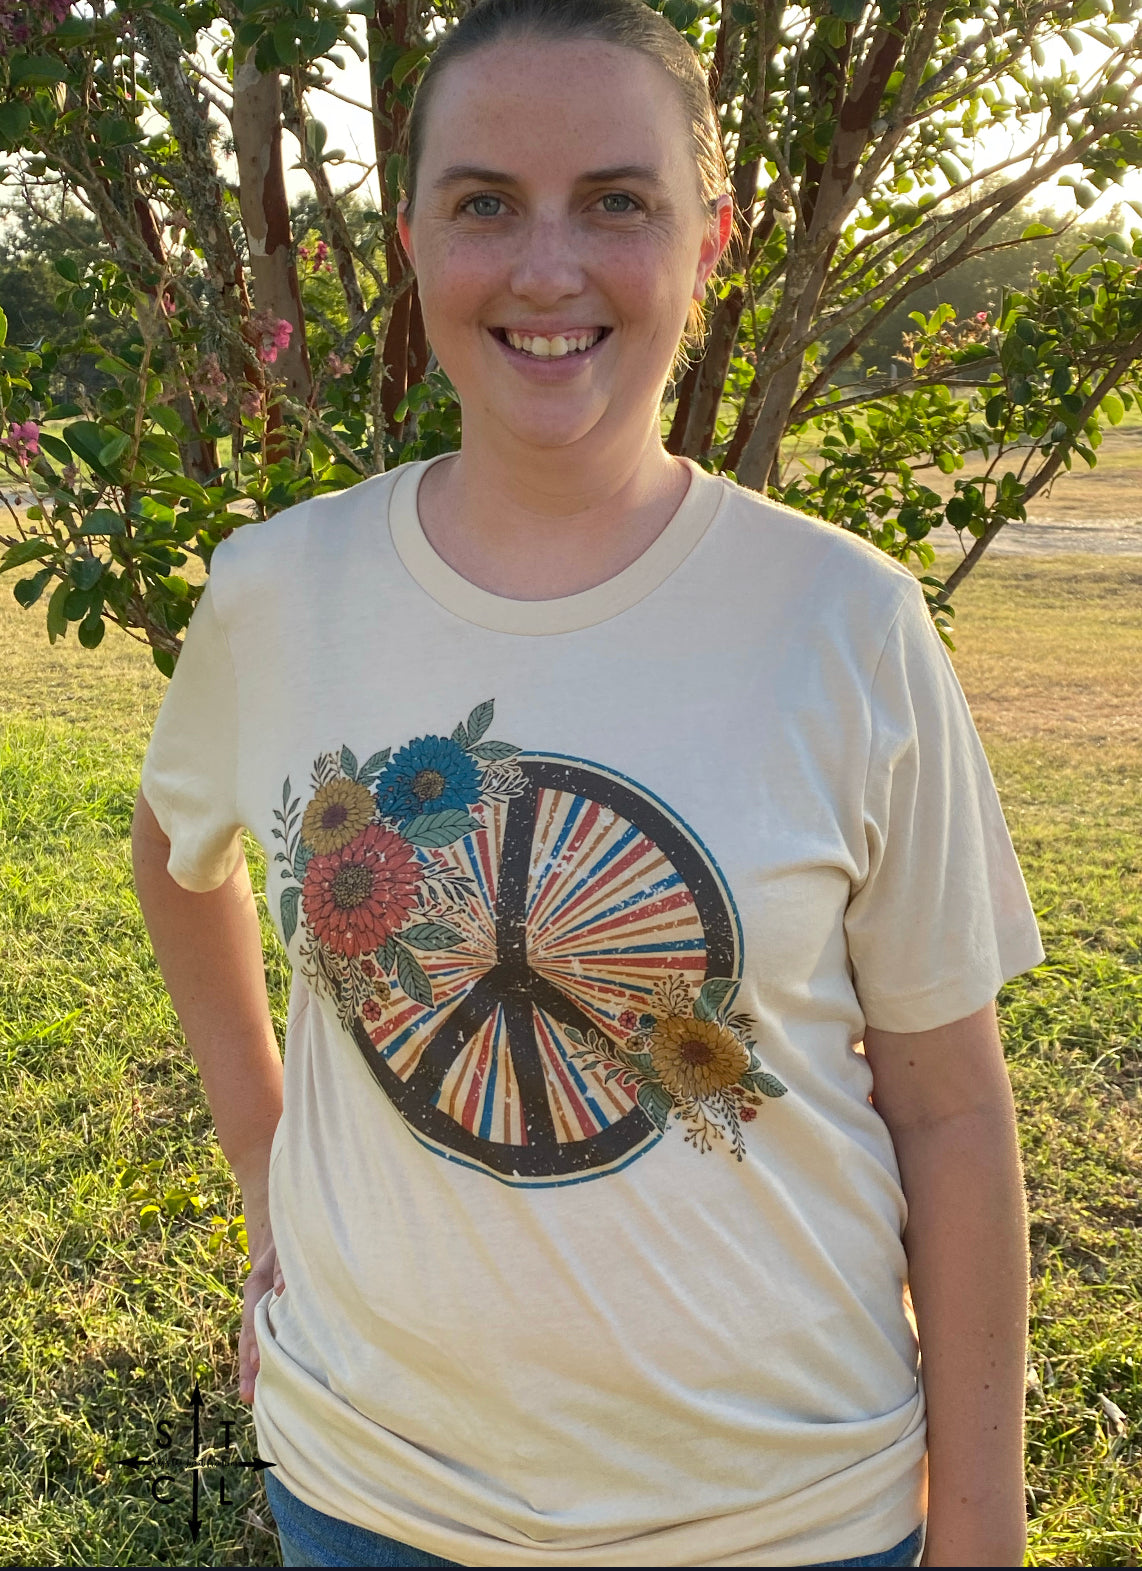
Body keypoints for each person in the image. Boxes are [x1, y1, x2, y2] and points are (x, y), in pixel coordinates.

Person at [131, 1, 1045, 1564]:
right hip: (372, 1490)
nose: (546, 267)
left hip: (784, 1516)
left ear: (711, 242)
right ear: (413, 236)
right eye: (485, 202)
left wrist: (978, 1525)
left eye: (617, 202)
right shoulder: (280, 591)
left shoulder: (847, 622)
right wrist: (269, 1172)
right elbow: (176, 856)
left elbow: (952, 1114)